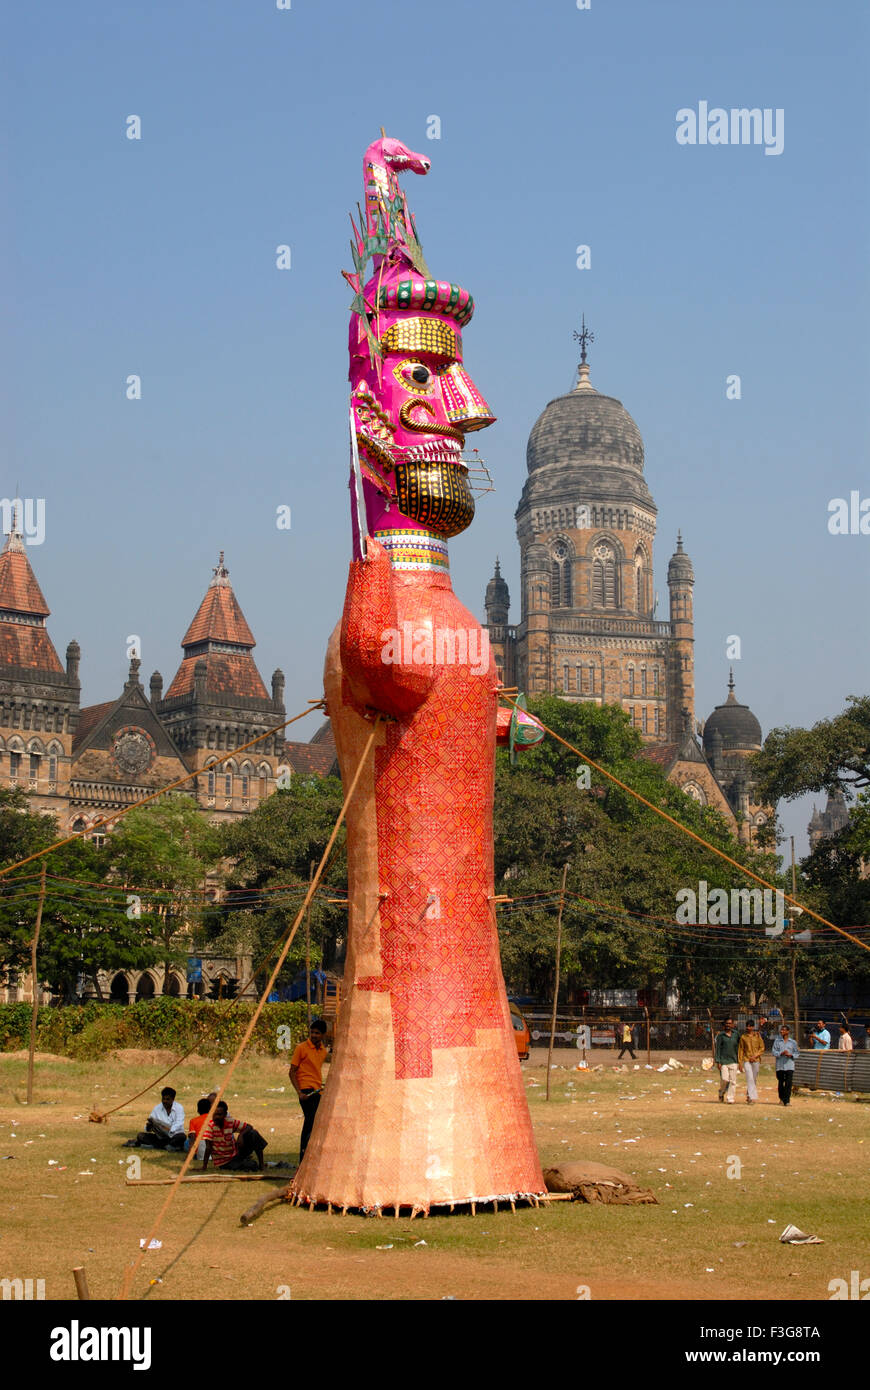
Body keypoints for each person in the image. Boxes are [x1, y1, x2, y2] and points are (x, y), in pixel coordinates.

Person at [289, 1019, 328, 1161]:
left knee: (315, 1123)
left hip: (317, 1091)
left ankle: (308, 1158)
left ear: (323, 1034)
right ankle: (303, 1158)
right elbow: (292, 1072)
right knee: (310, 1122)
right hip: (305, 1091)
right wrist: (299, 1093)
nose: (314, 1035)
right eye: (312, 1032)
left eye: (317, 1033)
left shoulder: (323, 1051)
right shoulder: (301, 1048)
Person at [201, 1101, 267, 1172]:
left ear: (225, 1114)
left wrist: (241, 1135)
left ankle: (261, 1164)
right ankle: (248, 1163)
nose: (216, 1117)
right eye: (214, 1114)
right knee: (251, 1165)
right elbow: (208, 1147)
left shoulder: (230, 1121)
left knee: (253, 1133)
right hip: (224, 1162)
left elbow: (249, 1126)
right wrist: (204, 1166)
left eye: (219, 1114)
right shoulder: (209, 1126)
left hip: (235, 1154)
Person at [738, 1019, 764, 1104]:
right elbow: (741, 1049)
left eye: (750, 1026)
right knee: (749, 1077)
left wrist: (755, 1056)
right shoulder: (743, 1037)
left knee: (754, 1078)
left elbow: (762, 1048)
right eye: (747, 1026)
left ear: (753, 1027)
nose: (748, 1028)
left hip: (756, 1060)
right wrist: (740, 1062)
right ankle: (751, 1098)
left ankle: (749, 1094)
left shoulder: (757, 1036)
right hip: (747, 1059)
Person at [714, 1017, 740, 1103]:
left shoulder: (736, 1034)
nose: (728, 1025)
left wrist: (740, 1060)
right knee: (725, 1079)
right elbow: (717, 1049)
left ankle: (730, 1098)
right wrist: (718, 1061)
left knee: (733, 1081)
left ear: (733, 1025)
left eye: (730, 1023)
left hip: (734, 1060)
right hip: (723, 1061)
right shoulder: (721, 1036)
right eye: (727, 1023)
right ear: (724, 1025)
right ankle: (721, 1092)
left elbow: (740, 1047)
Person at [772, 1025, 799, 1106]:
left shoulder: (793, 1042)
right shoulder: (777, 1041)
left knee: (788, 1083)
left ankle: (787, 1101)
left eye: (783, 1030)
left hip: (789, 1065)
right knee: (781, 1083)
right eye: (781, 1030)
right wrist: (781, 1053)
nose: (781, 1032)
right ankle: (781, 1099)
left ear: (788, 1032)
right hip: (780, 1066)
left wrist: (790, 1055)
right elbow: (774, 1052)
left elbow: (797, 1053)